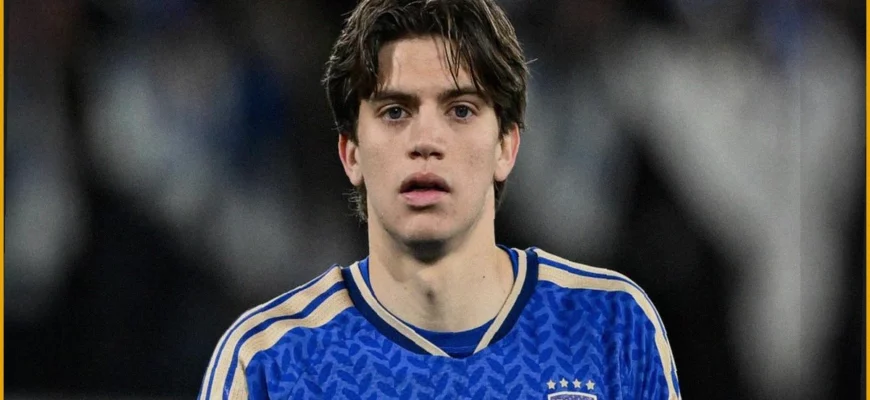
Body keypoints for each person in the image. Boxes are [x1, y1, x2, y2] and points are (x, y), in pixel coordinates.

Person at [197, 0, 681, 398]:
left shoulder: (611, 328)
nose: (426, 141)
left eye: (461, 110)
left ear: (506, 147)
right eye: (395, 111)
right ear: (351, 154)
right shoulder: (269, 362)